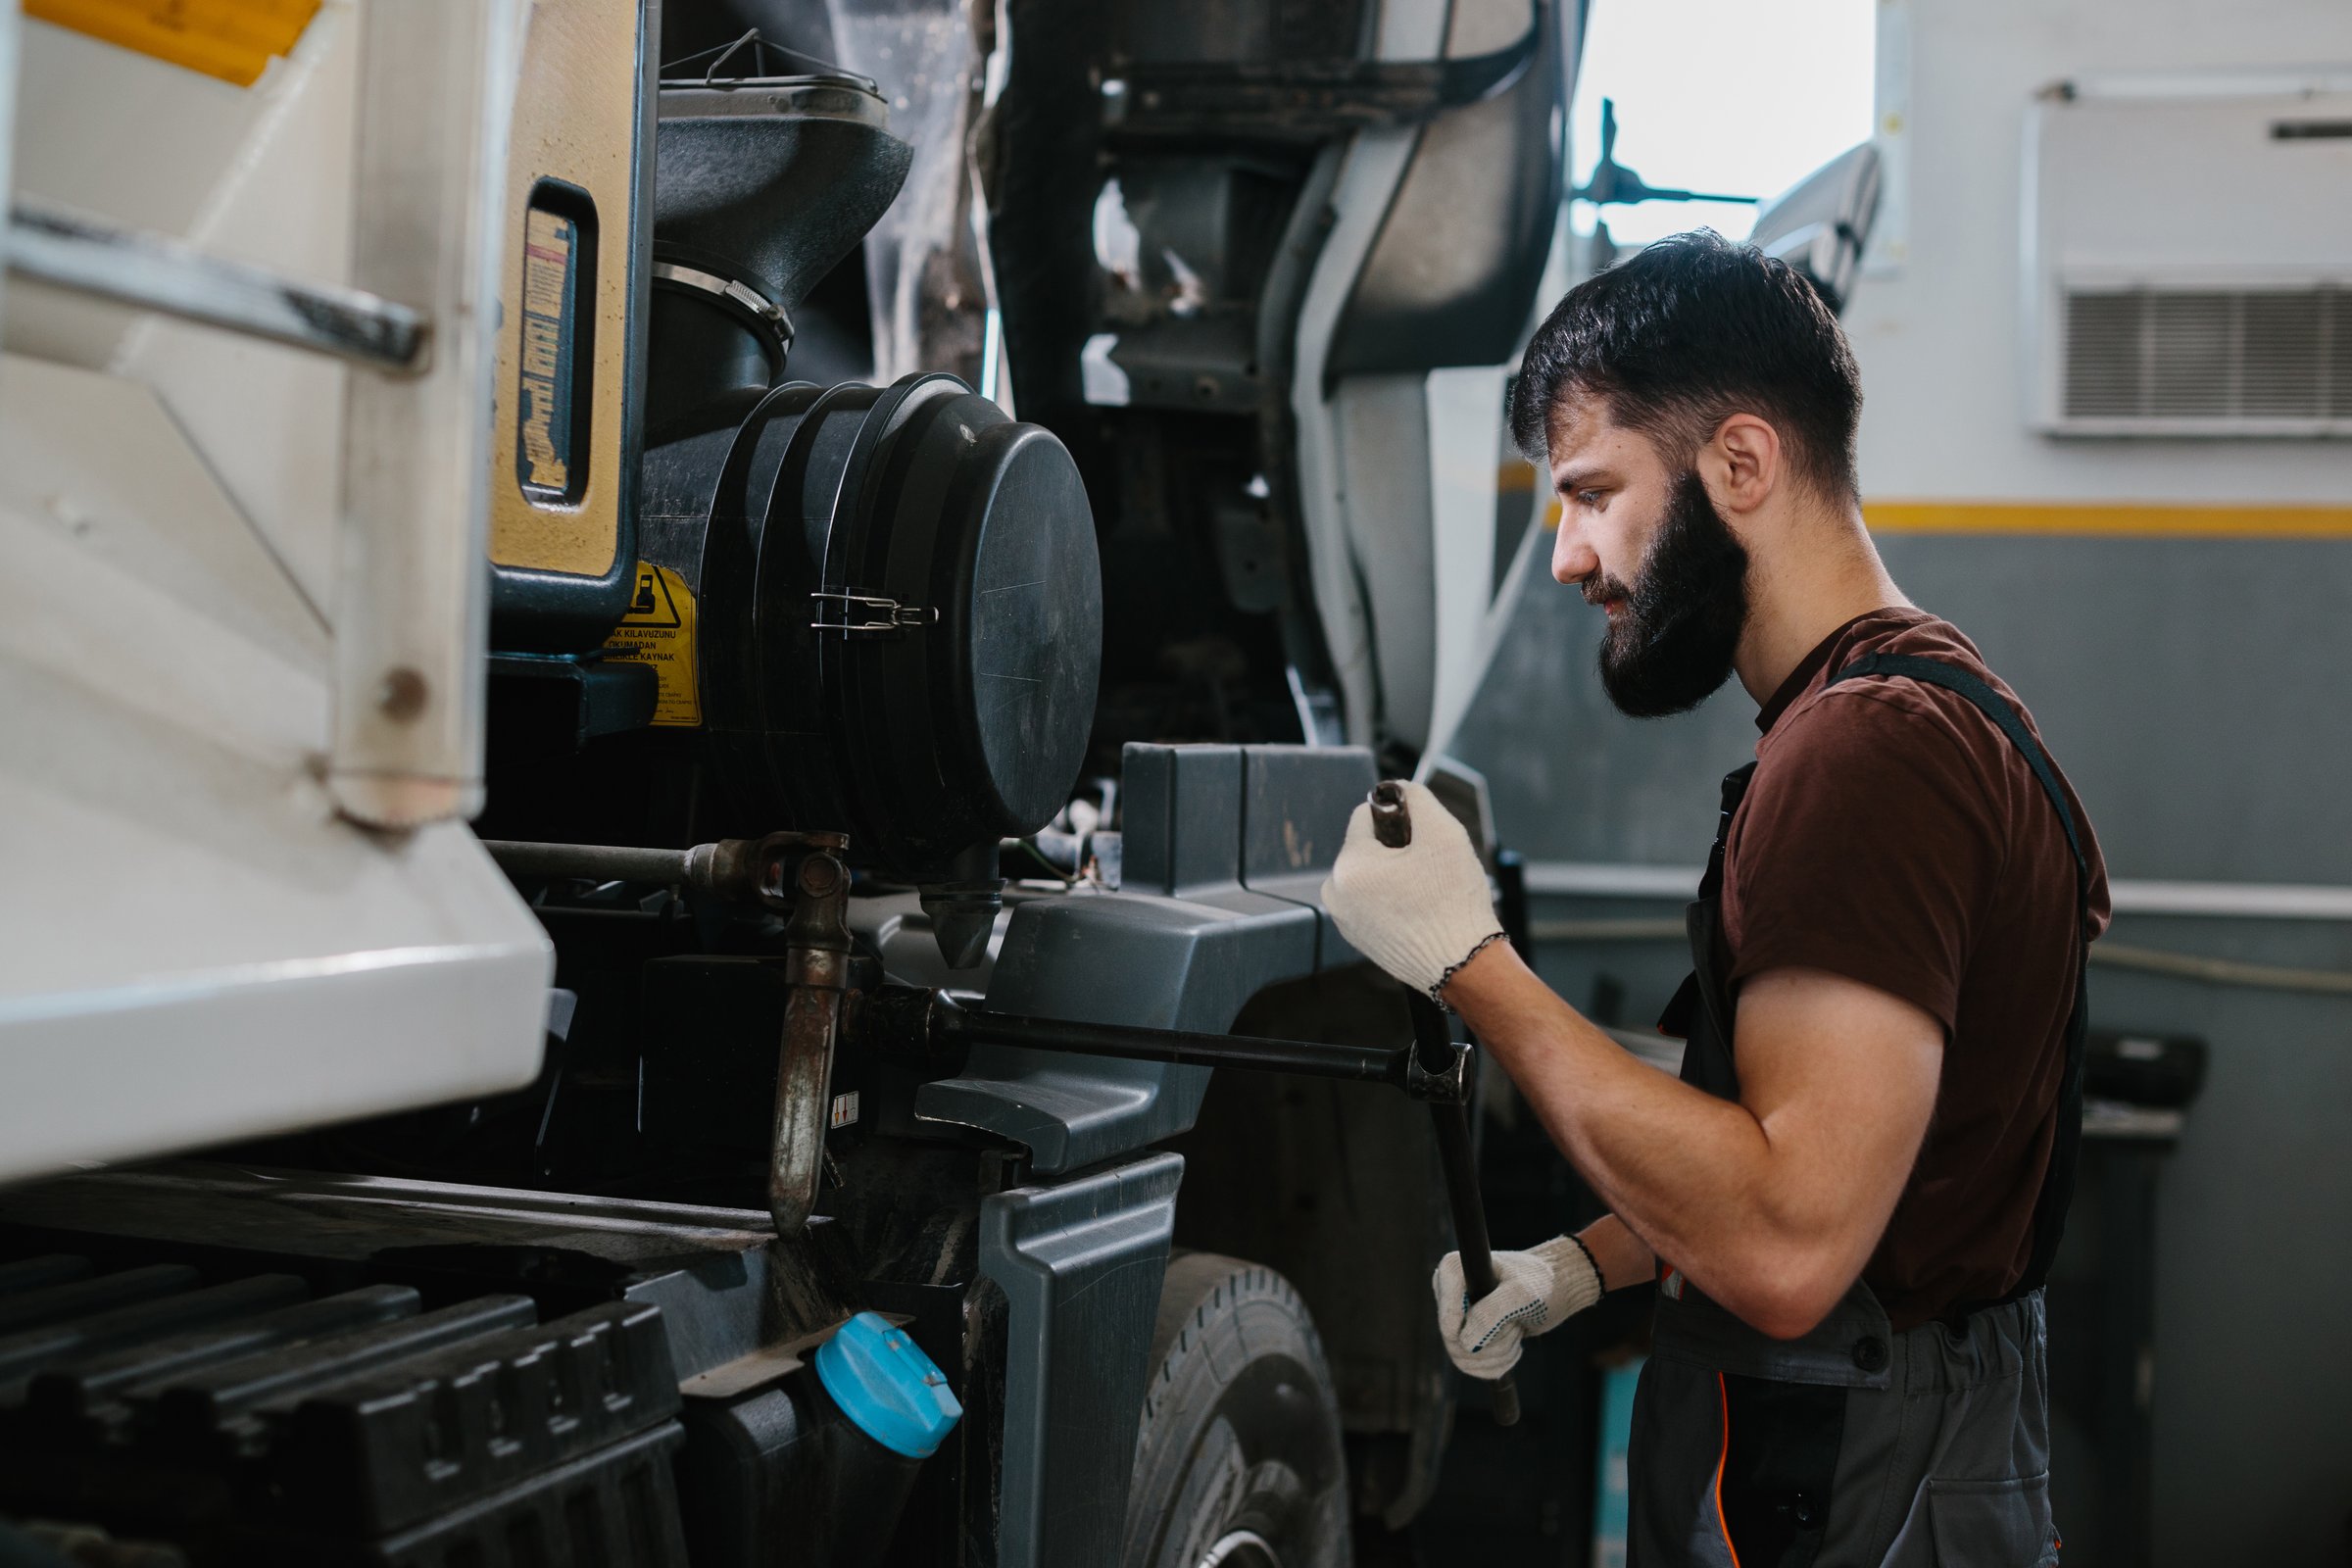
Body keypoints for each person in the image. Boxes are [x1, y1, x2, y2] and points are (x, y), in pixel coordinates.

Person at [1322, 231, 2108, 1567]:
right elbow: (1857, 1160)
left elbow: (1794, 1241)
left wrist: (1468, 962)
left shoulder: (1868, 754)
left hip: (1847, 1472)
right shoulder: (1936, 703)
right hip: (1882, 1435)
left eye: (1590, 493)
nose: (1572, 558)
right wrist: (1580, 1265)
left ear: (1740, 463)